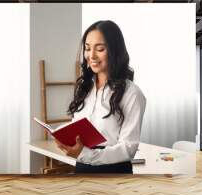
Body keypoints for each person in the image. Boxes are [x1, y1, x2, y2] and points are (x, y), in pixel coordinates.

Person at [55, 20, 146, 174]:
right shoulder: (84, 88)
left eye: (100, 49)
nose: (92, 56)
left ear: (115, 51)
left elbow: (128, 148)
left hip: (114, 172)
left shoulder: (132, 93)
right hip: (82, 167)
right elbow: (79, 129)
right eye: (87, 48)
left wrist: (86, 155)